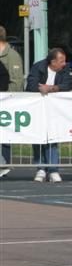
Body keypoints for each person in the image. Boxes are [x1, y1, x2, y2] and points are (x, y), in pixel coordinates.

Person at [26, 48, 72, 182]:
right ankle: (41, 168)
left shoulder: (65, 69)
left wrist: (52, 88)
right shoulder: (38, 67)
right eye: (61, 61)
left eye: (64, 61)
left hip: (54, 110)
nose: (64, 64)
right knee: (38, 138)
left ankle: (53, 169)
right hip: (37, 108)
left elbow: (68, 84)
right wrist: (41, 89)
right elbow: (31, 85)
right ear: (53, 62)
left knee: (53, 138)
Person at [0, 26, 24, 178]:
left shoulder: (12, 56)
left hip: (6, 103)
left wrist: (4, 96)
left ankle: (4, 165)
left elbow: (16, 82)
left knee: (5, 134)